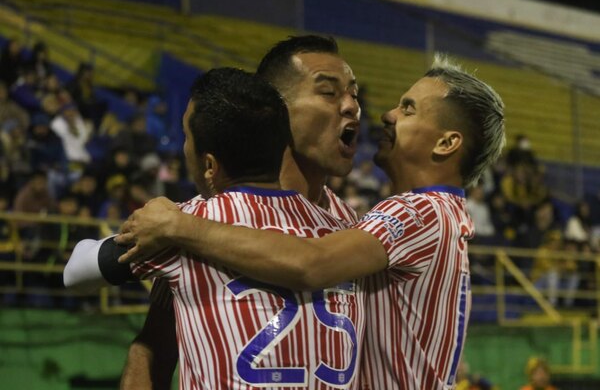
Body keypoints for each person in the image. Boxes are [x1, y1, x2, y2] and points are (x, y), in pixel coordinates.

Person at [116, 54, 506, 389]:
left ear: (446, 143)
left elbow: (310, 264)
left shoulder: (418, 212)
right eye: (329, 91)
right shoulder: (417, 218)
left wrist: (181, 227)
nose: (385, 113)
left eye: (408, 108)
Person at [64, 68, 366, 389]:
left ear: (209, 165)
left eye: (186, 138)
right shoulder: (344, 233)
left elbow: (76, 273)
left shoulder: (183, 225)